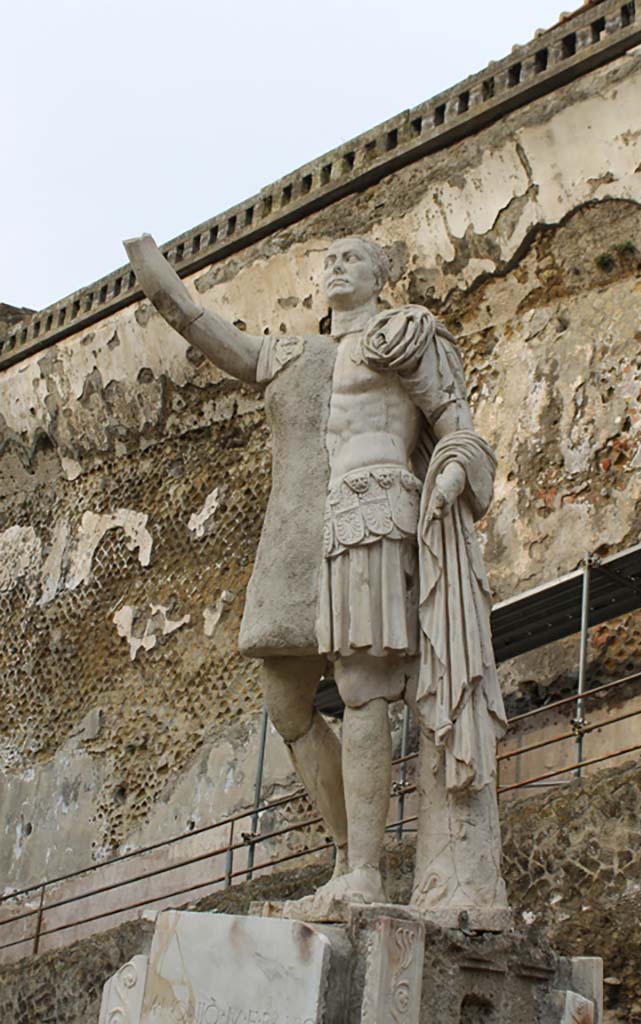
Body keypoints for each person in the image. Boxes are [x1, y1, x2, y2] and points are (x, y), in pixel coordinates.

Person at [124, 234, 508, 923]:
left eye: (352, 258)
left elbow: (457, 424)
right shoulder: (293, 353)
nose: (336, 266)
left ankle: (363, 872)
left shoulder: (403, 334)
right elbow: (213, 334)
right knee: (285, 700)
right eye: (328, 259)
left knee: (364, 688)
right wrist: (159, 282)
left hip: (377, 511)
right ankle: (345, 857)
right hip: (310, 535)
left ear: (380, 275)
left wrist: (452, 471)